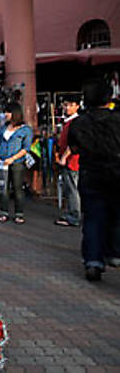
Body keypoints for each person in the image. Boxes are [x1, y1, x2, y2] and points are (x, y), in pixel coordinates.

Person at [67, 78, 120, 281]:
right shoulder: (117, 120)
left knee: (93, 218)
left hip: (91, 174)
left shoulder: (79, 123)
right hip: (116, 174)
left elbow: (74, 148)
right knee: (116, 214)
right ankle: (114, 252)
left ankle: (93, 261)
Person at [0, 103, 33, 224]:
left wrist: (13, 158)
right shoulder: (4, 127)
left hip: (17, 163)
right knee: (3, 188)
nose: (6, 115)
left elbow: (26, 148)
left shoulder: (25, 130)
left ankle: (19, 213)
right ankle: (3, 212)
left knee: (17, 188)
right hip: (3, 162)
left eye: (8, 112)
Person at [55, 96, 81, 227]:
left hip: (72, 161)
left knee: (72, 189)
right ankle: (72, 212)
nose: (67, 108)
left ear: (77, 106)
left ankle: (74, 215)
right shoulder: (68, 122)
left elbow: (74, 144)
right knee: (70, 188)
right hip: (67, 159)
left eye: (70, 105)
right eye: (65, 105)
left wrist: (65, 157)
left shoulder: (76, 122)